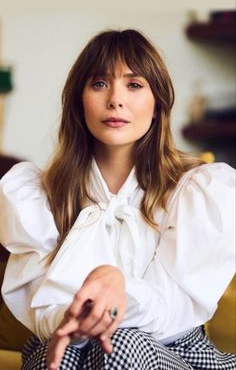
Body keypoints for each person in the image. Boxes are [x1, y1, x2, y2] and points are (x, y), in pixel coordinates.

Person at [0, 29, 235, 370]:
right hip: (66, 343)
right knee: (63, 353)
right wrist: (81, 317)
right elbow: (38, 307)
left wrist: (117, 288)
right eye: (99, 83)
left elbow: (177, 308)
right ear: (79, 100)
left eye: (134, 85)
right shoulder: (40, 194)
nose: (115, 100)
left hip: (172, 350)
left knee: (121, 341)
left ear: (158, 105)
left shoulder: (196, 189)